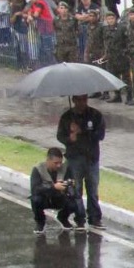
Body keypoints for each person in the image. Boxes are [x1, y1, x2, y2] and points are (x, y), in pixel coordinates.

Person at [56, 94, 106, 231]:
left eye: (84, 99)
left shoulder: (95, 115)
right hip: (74, 159)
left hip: (91, 158)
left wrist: (82, 131)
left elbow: (100, 135)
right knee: (76, 190)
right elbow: (60, 135)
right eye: (79, 100)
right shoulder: (67, 117)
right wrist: (70, 138)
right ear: (74, 100)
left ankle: (95, 218)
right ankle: (79, 219)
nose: (82, 102)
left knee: (93, 190)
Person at [29, 147, 84, 233]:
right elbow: (35, 189)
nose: (58, 165)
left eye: (60, 163)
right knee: (35, 199)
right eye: (56, 163)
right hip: (45, 199)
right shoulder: (38, 169)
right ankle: (40, 223)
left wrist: (69, 185)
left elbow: (71, 183)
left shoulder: (64, 168)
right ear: (48, 160)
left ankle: (63, 217)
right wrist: (53, 187)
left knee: (75, 201)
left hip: (59, 198)